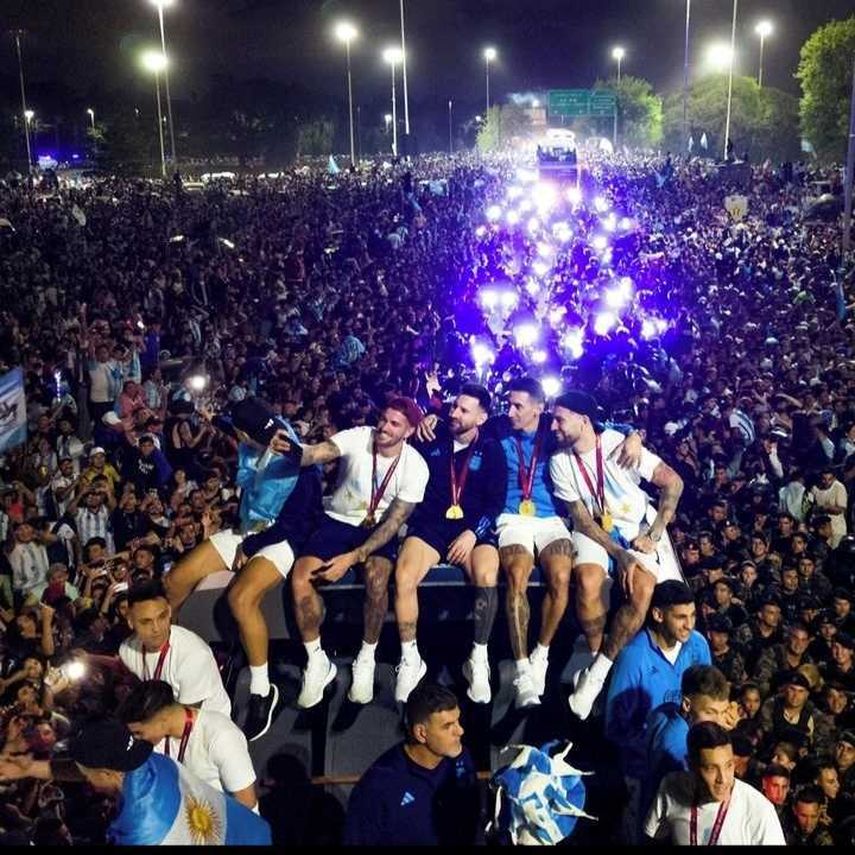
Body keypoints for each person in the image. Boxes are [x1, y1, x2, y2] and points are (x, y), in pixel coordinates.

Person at [164, 398, 320, 740]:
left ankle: (262, 690)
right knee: (174, 581)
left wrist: (250, 549)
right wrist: (207, 416)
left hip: (280, 538)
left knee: (240, 598)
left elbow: (297, 525)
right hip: (247, 529)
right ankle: (171, 660)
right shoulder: (251, 440)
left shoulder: (302, 465)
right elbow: (228, 423)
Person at [549, 390, 685, 720]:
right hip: (595, 531)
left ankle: (597, 675)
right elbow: (581, 519)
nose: (553, 426)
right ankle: (597, 656)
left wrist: (652, 534)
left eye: (559, 419)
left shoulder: (616, 444)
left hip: (635, 529)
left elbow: (674, 483)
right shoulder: (559, 461)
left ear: (584, 420)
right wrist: (618, 554)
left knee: (643, 590)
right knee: (587, 578)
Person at [287, 397, 429, 707]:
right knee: (301, 579)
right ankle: (317, 660)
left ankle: (366, 656)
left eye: (394, 424)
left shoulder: (416, 466)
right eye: (383, 418)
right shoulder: (358, 436)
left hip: (378, 530)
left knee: (377, 580)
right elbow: (318, 454)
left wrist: (353, 558)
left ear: (409, 431)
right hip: (337, 520)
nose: (384, 427)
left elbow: (393, 523)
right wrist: (290, 449)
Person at [393, 384, 505, 703]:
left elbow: (495, 502)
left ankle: (478, 657)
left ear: (482, 418)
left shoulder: (492, 448)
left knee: (486, 576)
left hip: (472, 528)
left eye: (464, 410)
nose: (454, 413)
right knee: (403, 576)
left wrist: (473, 533)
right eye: (454, 407)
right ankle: (410, 657)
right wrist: (425, 419)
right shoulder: (432, 436)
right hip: (431, 527)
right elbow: (404, 429)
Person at [604, 581, 711, 842]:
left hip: (689, 767)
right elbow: (615, 726)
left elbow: (709, 696)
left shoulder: (697, 645)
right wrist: (651, 750)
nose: (689, 624)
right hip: (643, 774)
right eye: (681, 617)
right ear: (658, 615)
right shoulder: (634, 657)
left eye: (693, 616)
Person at [68, 717, 271, 845]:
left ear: (106, 773)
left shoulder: (138, 833)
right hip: (252, 832)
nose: (88, 783)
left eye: (87, 777)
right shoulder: (158, 763)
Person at [342, 682, 479, 846]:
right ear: (421, 733)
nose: (460, 731)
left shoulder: (461, 760)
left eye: (458, 721)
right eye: (448, 726)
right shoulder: (377, 787)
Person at [118, 680, 258, 811]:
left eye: (139, 732)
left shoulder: (221, 736)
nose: (136, 738)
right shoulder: (159, 738)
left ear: (163, 719)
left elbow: (247, 804)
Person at [644, 721, 786, 844]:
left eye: (729, 765)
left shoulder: (759, 810)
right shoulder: (671, 786)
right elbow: (654, 838)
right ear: (691, 764)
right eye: (711, 768)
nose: (723, 779)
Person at [118, 579, 231, 717]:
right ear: (130, 621)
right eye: (146, 622)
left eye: (162, 617)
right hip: (160, 721)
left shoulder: (193, 655)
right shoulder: (127, 651)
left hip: (206, 726)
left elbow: (187, 721)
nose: (156, 628)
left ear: (170, 611)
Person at [642, 665, 732, 827]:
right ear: (687, 705)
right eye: (710, 712)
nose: (719, 722)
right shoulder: (680, 749)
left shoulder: (666, 710)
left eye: (722, 712)